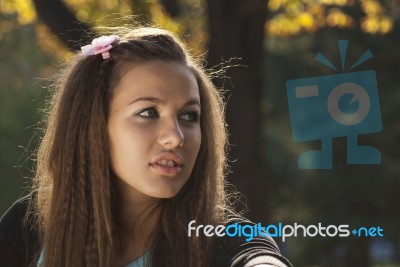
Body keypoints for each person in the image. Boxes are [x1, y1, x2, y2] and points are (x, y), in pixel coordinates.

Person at [0, 27, 292, 267]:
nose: (175, 137)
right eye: (148, 112)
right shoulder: (32, 224)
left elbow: (257, 258)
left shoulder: (221, 237)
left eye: (189, 116)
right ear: (94, 125)